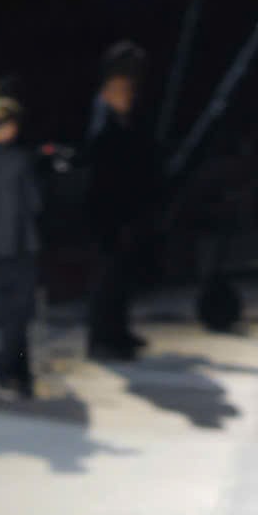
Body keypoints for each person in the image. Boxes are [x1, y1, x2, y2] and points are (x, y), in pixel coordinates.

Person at [82, 43, 157, 361]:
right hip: (107, 209)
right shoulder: (104, 116)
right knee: (107, 276)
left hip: (122, 205)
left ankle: (119, 331)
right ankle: (103, 339)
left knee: (122, 274)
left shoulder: (120, 115)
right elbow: (104, 165)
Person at [0, 95, 42, 399]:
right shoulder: (21, 161)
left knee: (10, 316)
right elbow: (35, 203)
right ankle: (2, 374)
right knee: (18, 317)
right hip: (20, 247)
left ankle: (21, 375)